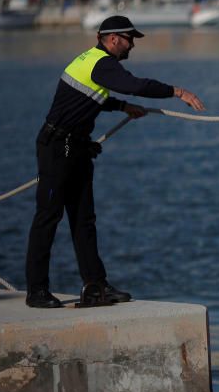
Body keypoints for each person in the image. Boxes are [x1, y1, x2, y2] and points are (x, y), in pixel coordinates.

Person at [24, 16, 206, 308]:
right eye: (129, 38)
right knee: (48, 217)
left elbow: (92, 96)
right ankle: (36, 291)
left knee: (84, 220)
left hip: (76, 146)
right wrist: (177, 91)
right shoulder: (103, 64)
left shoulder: (96, 63)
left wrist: (121, 106)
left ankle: (96, 286)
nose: (132, 44)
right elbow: (135, 85)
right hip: (58, 147)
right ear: (111, 39)